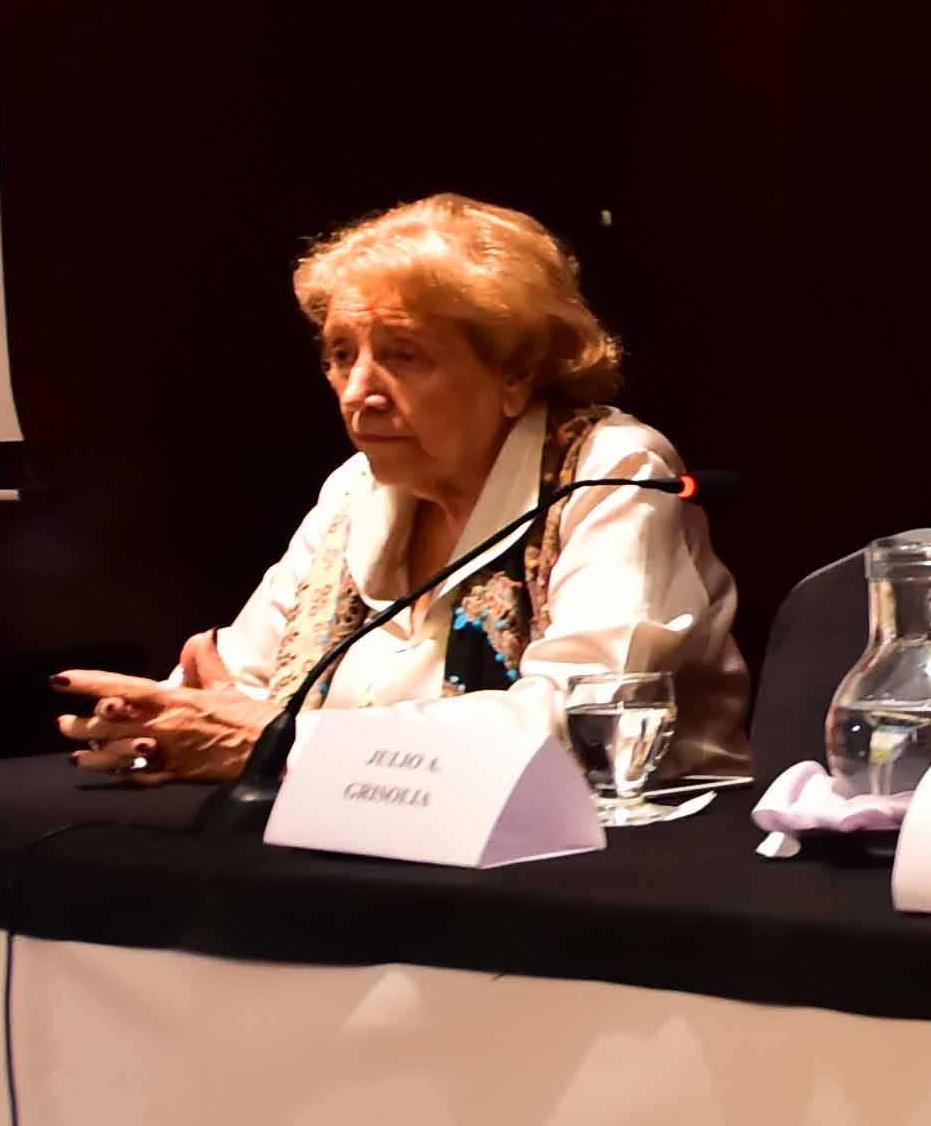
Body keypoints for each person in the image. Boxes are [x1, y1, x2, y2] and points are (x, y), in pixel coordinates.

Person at [52, 194, 746, 780]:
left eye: (403, 357)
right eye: (341, 355)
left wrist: (283, 746)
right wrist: (156, 721)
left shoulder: (611, 472)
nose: (359, 394)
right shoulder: (359, 488)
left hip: (604, 871)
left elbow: (582, 723)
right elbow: (233, 689)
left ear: (517, 371)